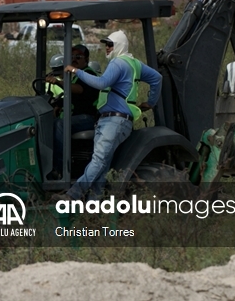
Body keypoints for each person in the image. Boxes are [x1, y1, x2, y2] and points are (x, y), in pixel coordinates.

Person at [62, 31, 161, 199]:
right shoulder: (134, 63)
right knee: (102, 166)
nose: (107, 48)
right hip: (116, 121)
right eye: (106, 45)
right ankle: (95, 207)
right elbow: (157, 78)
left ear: (119, 46)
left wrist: (75, 71)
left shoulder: (118, 62)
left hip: (114, 121)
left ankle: (73, 194)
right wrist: (150, 102)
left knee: (98, 161)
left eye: (110, 44)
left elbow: (101, 83)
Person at [45, 46, 99, 175]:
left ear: (86, 59)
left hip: (88, 118)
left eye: (78, 57)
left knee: (60, 124)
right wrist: (58, 105)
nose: (74, 59)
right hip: (78, 117)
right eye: (72, 57)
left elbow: (79, 90)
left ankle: (60, 168)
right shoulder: (75, 76)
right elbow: (72, 97)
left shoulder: (89, 74)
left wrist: (59, 83)